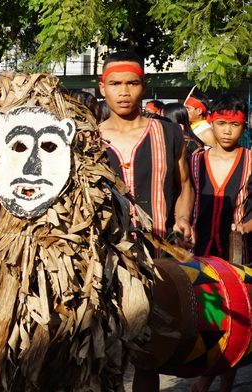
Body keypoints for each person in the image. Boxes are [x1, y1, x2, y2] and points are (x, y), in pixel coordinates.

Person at [98, 51, 194, 392]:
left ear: (144, 86)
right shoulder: (86, 140)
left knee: (148, 352)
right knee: (101, 351)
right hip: (101, 259)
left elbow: (185, 186)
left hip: (156, 260)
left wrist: (182, 218)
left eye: (132, 83)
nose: (124, 92)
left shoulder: (169, 134)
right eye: (115, 84)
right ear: (103, 88)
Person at [187, 94, 251, 392]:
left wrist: (245, 227)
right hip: (201, 252)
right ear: (211, 122)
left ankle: (218, 381)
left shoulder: (251, 160)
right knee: (210, 315)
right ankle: (210, 371)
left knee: (237, 317)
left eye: (234, 125)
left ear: (244, 125)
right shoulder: (195, 160)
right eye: (221, 123)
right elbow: (184, 197)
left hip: (239, 255)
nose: (227, 131)